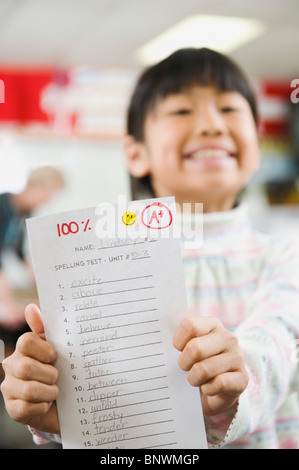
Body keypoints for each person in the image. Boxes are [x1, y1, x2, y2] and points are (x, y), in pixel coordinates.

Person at [1, 48, 299, 449]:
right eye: (181, 111)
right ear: (135, 153)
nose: (212, 125)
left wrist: (231, 381)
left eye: (229, 109)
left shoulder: (286, 259)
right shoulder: (99, 264)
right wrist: (54, 410)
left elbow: (276, 345)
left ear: (257, 144)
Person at [0, 166, 65, 346]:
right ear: (34, 187)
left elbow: (19, 254)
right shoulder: (2, 205)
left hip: (5, 280)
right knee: (16, 318)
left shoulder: (24, 211)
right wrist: (7, 303)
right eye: (48, 194)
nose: (47, 201)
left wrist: (45, 283)